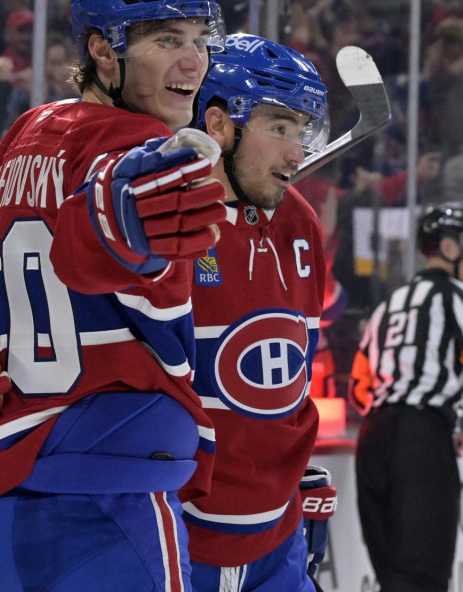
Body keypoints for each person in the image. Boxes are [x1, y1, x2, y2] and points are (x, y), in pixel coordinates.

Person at [0, 0, 230, 591]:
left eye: (198, 40)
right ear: (103, 49)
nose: (195, 62)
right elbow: (103, 234)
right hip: (101, 499)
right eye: (167, 39)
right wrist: (125, 220)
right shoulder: (141, 151)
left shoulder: (29, 130)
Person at [182, 33, 336, 591]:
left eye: (301, 132)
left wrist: (292, 471)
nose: (297, 154)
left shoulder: (299, 222)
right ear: (220, 125)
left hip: (277, 540)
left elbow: (290, 376)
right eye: (277, 127)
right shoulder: (163, 220)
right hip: (176, 536)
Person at [349, 204, 463, 592]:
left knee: (392, 575)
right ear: (450, 248)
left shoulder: (388, 305)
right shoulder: (460, 297)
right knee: (422, 574)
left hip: (372, 438)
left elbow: (358, 386)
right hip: (421, 440)